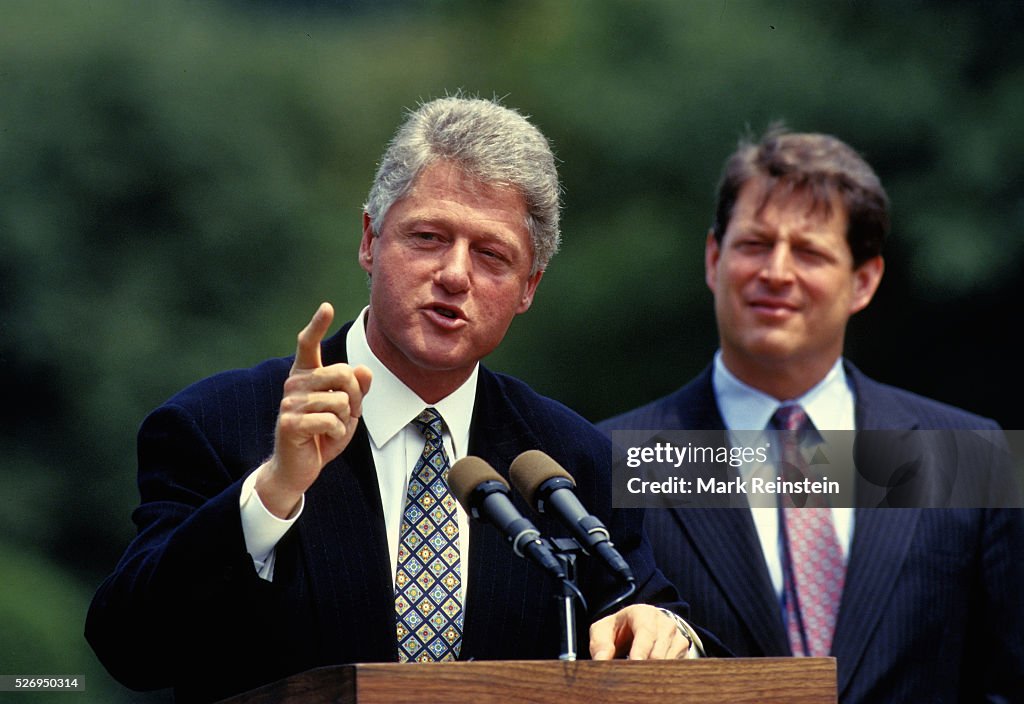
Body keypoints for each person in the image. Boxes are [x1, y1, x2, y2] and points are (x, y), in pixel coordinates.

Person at [86, 96, 706, 704]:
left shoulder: (569, 459)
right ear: (369, 240)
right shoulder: (220, 424)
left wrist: (664, 631)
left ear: (528, 288)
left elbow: (657, 615)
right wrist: (273, 490)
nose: (455, 275)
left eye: (491, 255)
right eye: (429, 237)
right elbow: (129, 648)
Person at [599, 127, 1024, 703]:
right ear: (714, 259)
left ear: (864, 281)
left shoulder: (964, 455)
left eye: (809, 252)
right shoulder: (617, 461)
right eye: (755, 244)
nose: (777, 271)